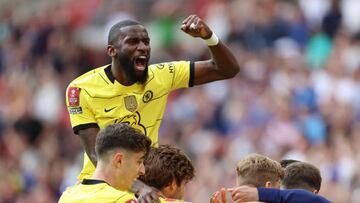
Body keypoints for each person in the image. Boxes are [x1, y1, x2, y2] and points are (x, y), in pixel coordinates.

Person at [65, 14, 239, 203]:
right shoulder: (81, 89)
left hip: (146, 182)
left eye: (146, 42)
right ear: (112, 51)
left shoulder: (161, 75)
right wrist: (137, 187)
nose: (142, 47)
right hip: (103, 187)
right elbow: (96, 153)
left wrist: (209, 37)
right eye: (133, 42)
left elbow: (227, 69)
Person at [59, 123, 152, 203]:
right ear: (119, 160)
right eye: (139, 161)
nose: (142, 170)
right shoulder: (122, 200)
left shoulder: (67, 197)